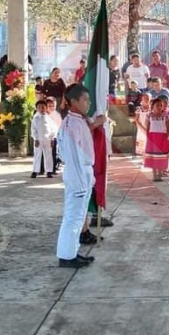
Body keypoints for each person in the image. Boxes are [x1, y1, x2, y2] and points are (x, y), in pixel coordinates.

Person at [55, 83, 103, 268]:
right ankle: (67, 256)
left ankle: (71, 251)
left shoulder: (78, 121)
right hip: (77, 173)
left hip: (83, 171)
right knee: (73, 217)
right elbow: (73, 155)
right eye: (85, 100)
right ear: (73, 101)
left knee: (79, 215)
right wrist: (80, 182)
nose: (88, 103)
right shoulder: (71, 124)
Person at [143, 97, 169, 182]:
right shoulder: (149, 116)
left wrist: (167, 137)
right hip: (152, 138)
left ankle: (159, 174)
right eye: (157, 105)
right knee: (153, 156)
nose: (159, 107)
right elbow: (147, 128)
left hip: (162, 138)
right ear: (152, 106)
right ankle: (154, 175)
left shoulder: (165, 116)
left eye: (161, 105)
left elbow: (168, 128)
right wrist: (148, 138)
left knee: (160, 156)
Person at [31, 99, 58, 179]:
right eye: (39, 107)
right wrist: (35, 138)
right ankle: (35, 171)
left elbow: (53, 129)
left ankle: (49, 171)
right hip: (38, 139)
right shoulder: (35, 118)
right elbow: (33, 129)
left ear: (46, 108)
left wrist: (52, 138)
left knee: (48, 155)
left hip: (48, 139)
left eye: (43, 107)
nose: (41, 109)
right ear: (36, 109)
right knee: (37, 155)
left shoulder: (49, 118)